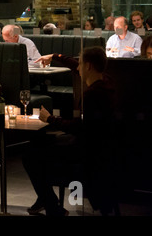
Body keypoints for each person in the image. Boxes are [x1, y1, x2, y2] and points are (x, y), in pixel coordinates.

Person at [24, 47, 119, 216]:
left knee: (30, 156)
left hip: (87, 150)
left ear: (88, 66)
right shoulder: (107, 81)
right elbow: (74, 64)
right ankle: (46, 200)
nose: (78, 67)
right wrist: (55, 56)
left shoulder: (93, 94)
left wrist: (50, 119)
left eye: (81, 64)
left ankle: (52, 206)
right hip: (102, 147)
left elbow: (79, 127)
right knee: (38, 144)